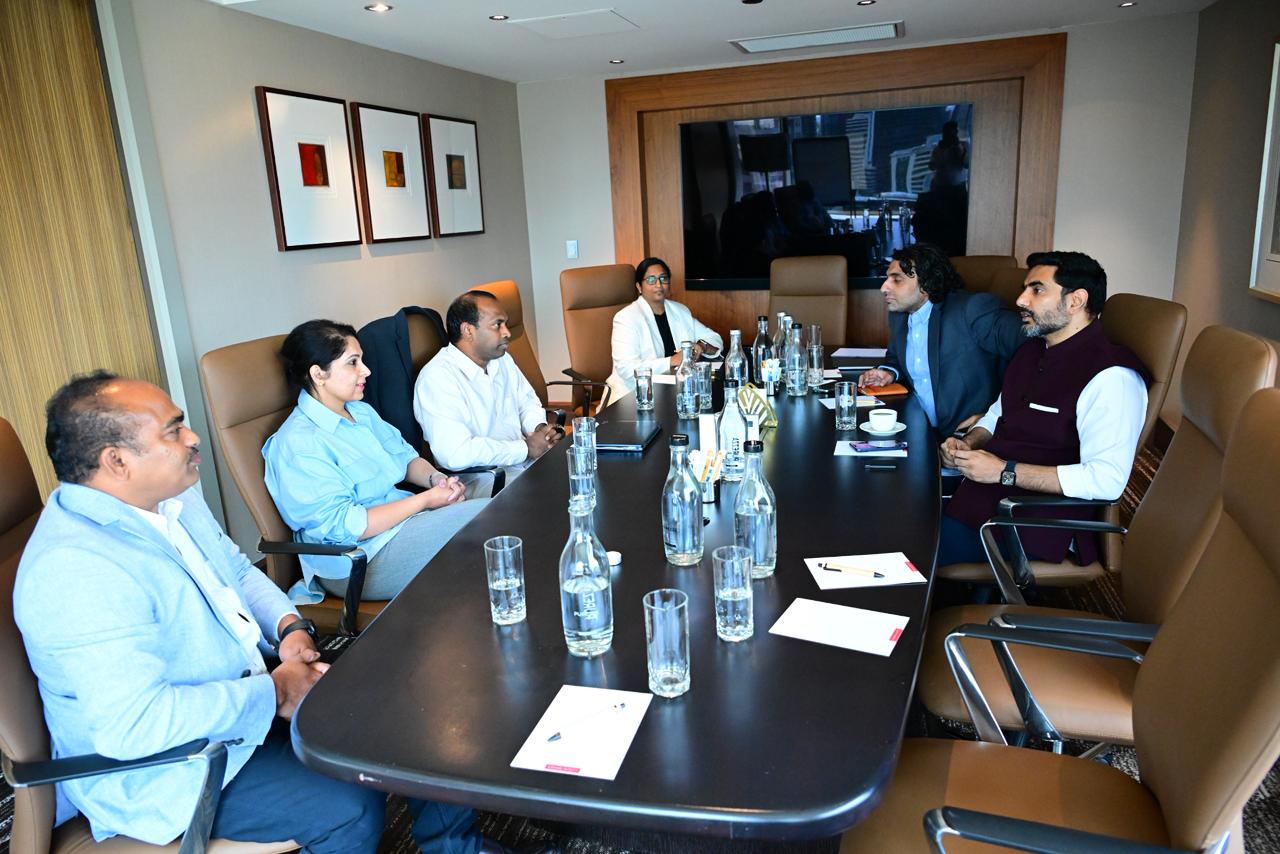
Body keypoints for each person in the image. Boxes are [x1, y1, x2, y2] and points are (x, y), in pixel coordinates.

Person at [13, 372, 541, 853]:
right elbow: (134, 726)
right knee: (347, 808)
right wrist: (275, 692)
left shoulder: (171, 500)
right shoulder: (76, 567)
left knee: (414, 692)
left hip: (247, 690)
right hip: (178, 766)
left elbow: (237, 571)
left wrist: (290, 627)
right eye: (174, 431)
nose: (193, 438)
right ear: (117, 462)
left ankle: (456, 848)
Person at [937, 251, 1148, 568]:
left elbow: (1106, 480)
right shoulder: (1032, 351)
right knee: (900, 512)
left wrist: (1004, 471)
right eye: (1025, 289)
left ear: (1075, 301)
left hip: (1032, 523)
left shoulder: (1112, 377)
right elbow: (998, 414)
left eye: (1037, 290)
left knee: (909, 546)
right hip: (983, 499)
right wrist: (969, 442)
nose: (1021, 300)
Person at [264, 320, 488, 605]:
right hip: (358, 559)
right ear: (318, 374)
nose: (366, 370)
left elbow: (405, 458)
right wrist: (425, 500)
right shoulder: (298, 443)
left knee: (501, 491)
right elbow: (346, 526)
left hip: (403, 524)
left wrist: (437, 480)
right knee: (488, 517)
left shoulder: (360, 412)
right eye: (353, 363)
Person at [859, 244, 1024, 437]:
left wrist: (995, 417)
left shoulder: (973, 309)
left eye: (897, 279)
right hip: (919, 429)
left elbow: (1037, 355)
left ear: (926, 283)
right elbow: (895, 357)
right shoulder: (900, 314)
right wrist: (889, 372)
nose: (884, 288)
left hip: (969, 437)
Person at [414, 290, 564, 475]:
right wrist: (525, 449)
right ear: (468, 330)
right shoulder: (437, 378)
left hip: (525, 465)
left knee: (584, 471)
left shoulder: (502, 360)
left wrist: (540, 430)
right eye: (497, 325)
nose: (507, 332)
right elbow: (455, 453)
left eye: (505, 324)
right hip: (486, 479)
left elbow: (526, 403)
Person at [606, 257, 724, 403]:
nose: (659, 284)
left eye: (663, 278)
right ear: (639, 287)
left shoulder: (680, 311)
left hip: (676, 393)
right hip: (634, 397)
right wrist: (672, 361)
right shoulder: (626, 318)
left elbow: (714, 338)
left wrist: (701, 346)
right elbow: (626, 368)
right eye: (651, 279)